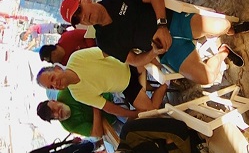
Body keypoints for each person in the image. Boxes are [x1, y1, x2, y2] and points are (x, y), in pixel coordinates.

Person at [59, 0, 249, 85]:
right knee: (206, 78)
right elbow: (134, 60)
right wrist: (153, 52)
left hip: (173, 21)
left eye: (80, 9)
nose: (83, 17)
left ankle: (229, 30)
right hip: (166, 50)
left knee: (223, 25)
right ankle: (223, 52)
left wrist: (162, 25)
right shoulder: (104, 41)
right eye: (78, 19)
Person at [37, 47, 166, 129]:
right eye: (51, 87)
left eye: (52, 78)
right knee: (150, 111)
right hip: (127, 87)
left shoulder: (76, 58)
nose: (55, 85)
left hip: (128, 63)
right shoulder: (77, 94)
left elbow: (107, 51)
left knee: (153, 58)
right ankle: (167, 84)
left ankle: (172, 74)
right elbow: (108, 107)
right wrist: (134, 113)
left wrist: (135, 57)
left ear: (58, 69)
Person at [37, 88, 124, 137]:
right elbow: (97, 133)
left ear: (53, 101)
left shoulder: (66, 92)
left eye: (53, 110)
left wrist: (97, 104)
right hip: (113, 121)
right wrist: (96, 105)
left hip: (111, 97)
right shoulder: (68, 125)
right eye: (53, 117)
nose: (57, 115)